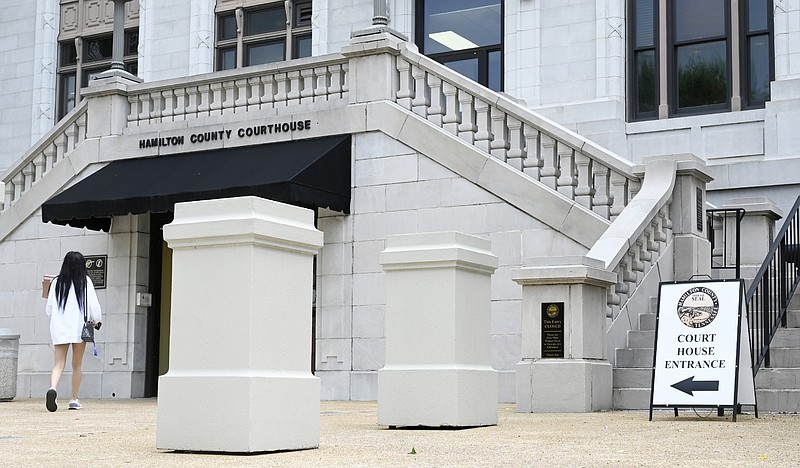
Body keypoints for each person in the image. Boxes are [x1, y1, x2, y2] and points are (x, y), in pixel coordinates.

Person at [45, 251, 102, 412]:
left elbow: (49, 309)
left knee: (58, 364)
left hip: (59, 327)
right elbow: (93, 307)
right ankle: (73, 399)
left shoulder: (56, 282)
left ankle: (53, 388)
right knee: (76, 365)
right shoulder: (85, 281)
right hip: (79, 329)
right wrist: (97, 321)